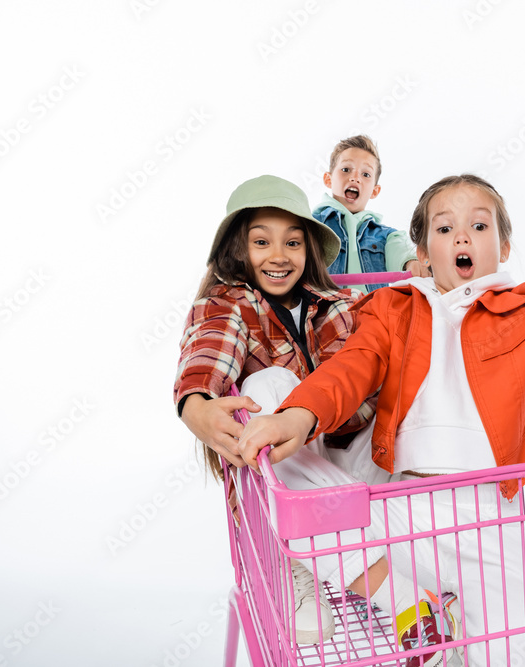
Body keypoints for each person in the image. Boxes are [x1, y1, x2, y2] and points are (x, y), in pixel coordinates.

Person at [236, 174, 525, 666]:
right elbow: (351, 368)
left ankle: (446, 629)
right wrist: (299, 417)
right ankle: (408, 604)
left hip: (490, 518)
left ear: (504, 246)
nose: (461, 237)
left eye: (478, 225)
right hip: (400, 512)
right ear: (423, 251)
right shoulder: (393, 307)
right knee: (277, 453)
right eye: (444, 227)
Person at [173, 174, 379, 644]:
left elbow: (367, 371)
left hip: (346, 458)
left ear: (308, 248)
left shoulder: (337, 304)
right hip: (284, 478)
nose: (279, 255)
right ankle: (311, 561)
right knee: (266, 384)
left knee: (390, 406)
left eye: (292, 241)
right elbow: (208, 351)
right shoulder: (227, 305)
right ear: (237, 250)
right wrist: (196, 405)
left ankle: (333, 545)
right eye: (261, 241)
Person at [313, 134, 429, 291]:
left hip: (370, 312)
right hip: (326, 310)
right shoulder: (310, 224)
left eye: (365, 174)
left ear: (375, 191)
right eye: (346, 169)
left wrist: (411, 262)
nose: (355, 178)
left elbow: (400, 251)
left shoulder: (386, 236)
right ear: (328, 179)